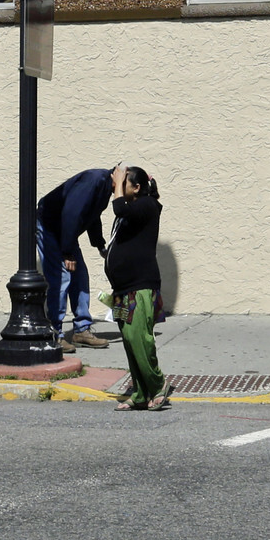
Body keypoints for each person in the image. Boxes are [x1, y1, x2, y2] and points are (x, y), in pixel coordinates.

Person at [105, 164, 169, 411]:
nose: (116, 189)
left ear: (137, 187)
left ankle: (158, 384)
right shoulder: (132, 211)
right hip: (123, 289)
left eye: (122, 184)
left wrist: (119, 186)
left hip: (140, 287)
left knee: (139, 338)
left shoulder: (147, 205)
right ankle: (141, 393)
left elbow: (119, 207)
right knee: (130, 342)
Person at [36, 166, 113, 350]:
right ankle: (54, 333)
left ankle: (81, 330)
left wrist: (100, 245)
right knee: (61, 277)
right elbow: (71, 212)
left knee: (80, 276)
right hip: (50, 226)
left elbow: (92, 216)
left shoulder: (104, 187)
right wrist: (67, 252)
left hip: (64, 231)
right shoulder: (95, 180)